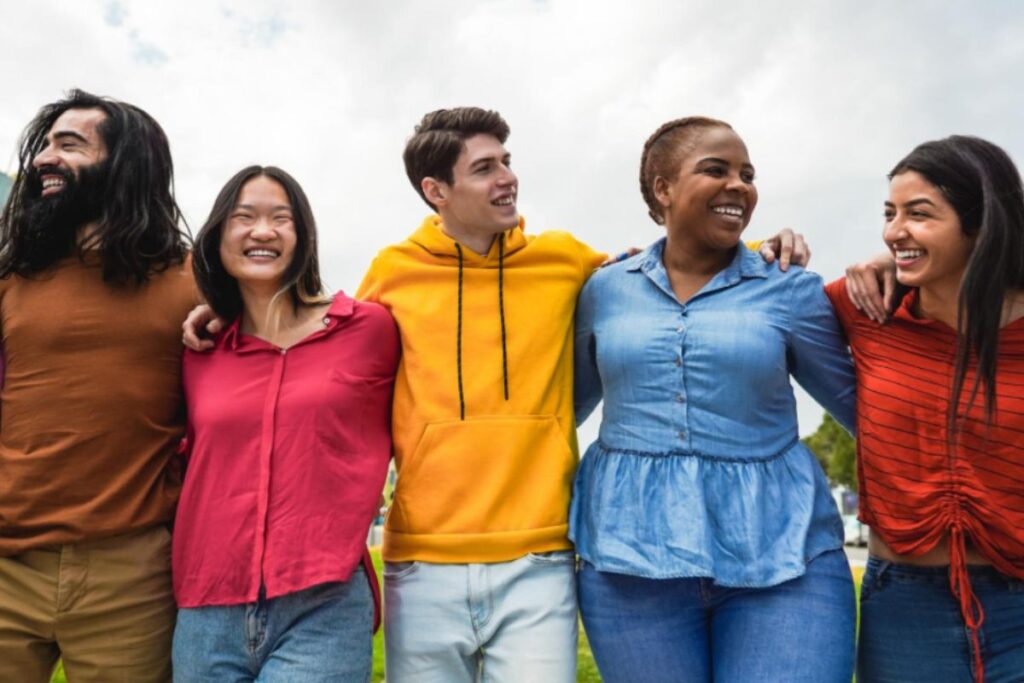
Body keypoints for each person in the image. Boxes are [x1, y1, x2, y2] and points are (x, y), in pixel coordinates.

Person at [182, 108, 808, 683]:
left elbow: (666, 270)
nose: (508, 178)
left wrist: (761, 251)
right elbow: (313, 332)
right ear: (437, 191)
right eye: (485, 168)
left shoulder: (566, 261)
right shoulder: (391, 275)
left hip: (538, 555)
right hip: (421, 560)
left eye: (507, 161)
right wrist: (222, 313)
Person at [571, 116, 858, 683]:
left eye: (747, 175)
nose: (740, 185)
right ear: (663, 189)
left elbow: (868, 410)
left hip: (784, 557)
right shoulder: (604, 290)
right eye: (716, 170)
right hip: (630, 562)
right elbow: (558, 412)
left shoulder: (789, 287)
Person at [170, 166, 399, 682]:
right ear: (219, 236)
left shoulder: (369, 329)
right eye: (243, 217)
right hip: (207, 604)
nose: (263, 231)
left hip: (322, 599)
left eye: (282, 219)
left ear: (303, 237)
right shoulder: (196, 349)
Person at [0, 90, 196, 682]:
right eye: (45, 145)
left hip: (130, 572)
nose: (43, 159)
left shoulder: (196, 282)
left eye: (70, 144)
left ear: (126, 164)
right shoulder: (10, 277)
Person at [827, 136, 1024, 683]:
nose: (893, 232)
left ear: (982, 224)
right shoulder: (865, 310)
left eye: (919, 214)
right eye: (890, 215)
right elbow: (755, 301)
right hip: (905, 608)